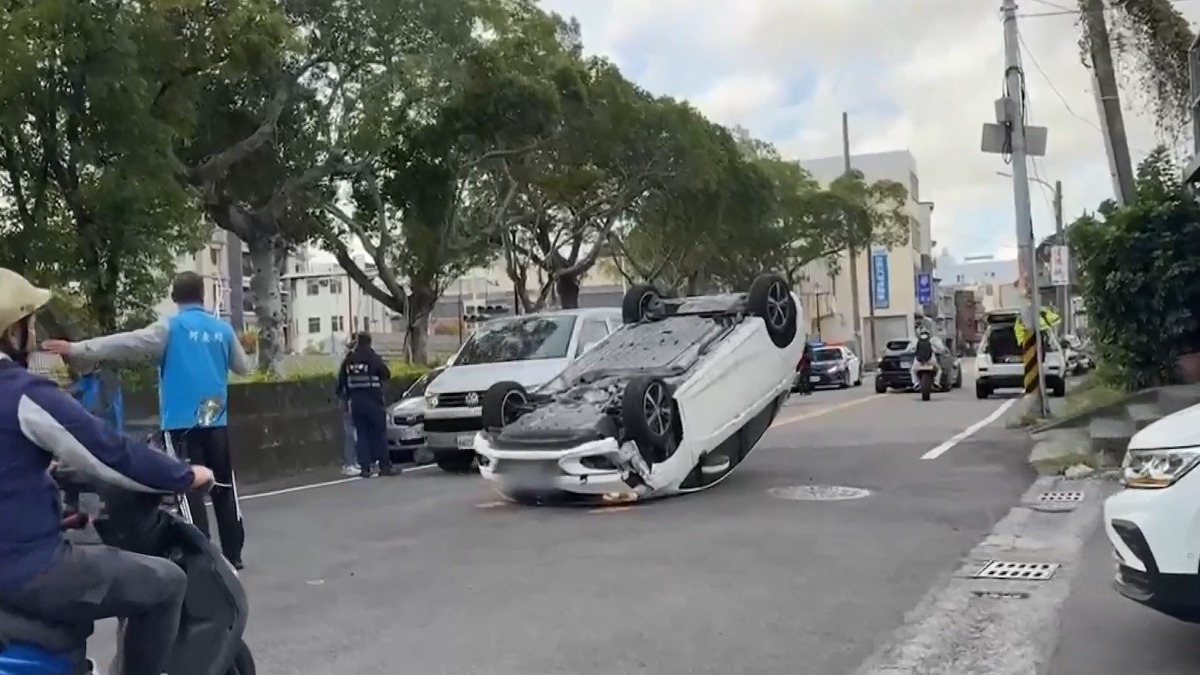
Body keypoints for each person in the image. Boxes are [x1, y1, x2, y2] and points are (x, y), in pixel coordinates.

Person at [0, 267, 215, 675]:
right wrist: (185, 477)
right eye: (29, 324)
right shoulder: (21, 394)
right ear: (13, 332)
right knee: (165, 583)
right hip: (25, 569)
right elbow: (107, 452)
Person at [43, 272, 251, 570]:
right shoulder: (223, 330)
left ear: (175, 298)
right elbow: (242, 367)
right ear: (202, 295)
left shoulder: (170, 328)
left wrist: (76, 348)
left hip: (182, 420)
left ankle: (203, 553)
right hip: (215, 418)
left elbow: (125, 343)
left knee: (187, 485)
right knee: (223, 486)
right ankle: (234, 552)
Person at [337, 332, 393, 478]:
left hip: (355, 403)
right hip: (373, 401)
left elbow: (341, 382)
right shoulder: (373, 358)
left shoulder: (349, 360)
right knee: (379, 434)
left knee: (361, 435)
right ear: (369, 342)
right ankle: (384, 466)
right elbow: (386, 374)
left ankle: (365, 468)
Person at [337, 338, 359, 476]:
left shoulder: (347, 362)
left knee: (353, 433)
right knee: (350, 433)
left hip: (349, 401)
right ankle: (349, 463)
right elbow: (342, 384)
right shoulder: (350, 362)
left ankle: (353, 461)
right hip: (349, 402)